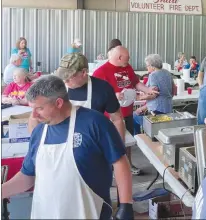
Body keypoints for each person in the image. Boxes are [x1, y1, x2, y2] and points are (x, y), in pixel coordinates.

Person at [1, 75, 134, 219]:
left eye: (39, 108)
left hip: (89, 212)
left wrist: (126, 205)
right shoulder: (39, 132)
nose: (33, 115)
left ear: (58, 103)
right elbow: (28, 176)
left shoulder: (95, 123)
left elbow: (120, 161)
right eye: (32, 108)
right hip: (46, 212)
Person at [93, 46, 159, 175]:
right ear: (119, 57)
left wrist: (148, 90)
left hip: (127, 113)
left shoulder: (127, 68)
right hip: (110, 117)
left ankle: (128, 164)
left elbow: (136, 83)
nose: (129, 60)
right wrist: (113, 96)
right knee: (111, 143)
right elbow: (95, 97)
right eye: (127, 58)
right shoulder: (100, 72)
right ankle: (110, 167)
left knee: (127, 143)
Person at [133, 54, 174, 134]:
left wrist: (139, 97)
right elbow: (173, 91)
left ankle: (137, 138)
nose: (146, 68)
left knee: (134, 116)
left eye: (147, 66)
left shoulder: (153, 75)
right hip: (168, 108)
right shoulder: (167, 73)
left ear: (153, 66)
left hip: (156, 111)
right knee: (138, 113)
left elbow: (154, 94)